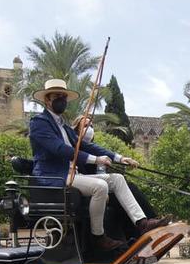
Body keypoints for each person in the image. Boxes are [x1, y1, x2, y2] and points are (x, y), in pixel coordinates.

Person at [29, 79, 169, 251]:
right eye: (57, 96)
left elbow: (87, 145)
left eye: (64, 96)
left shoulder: (64, 127)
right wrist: (96, 160)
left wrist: (118, 157)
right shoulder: (39, 122)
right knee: (100, 186)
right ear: (47, 100)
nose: (62, 100)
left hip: (72, 175)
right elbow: (59, 149)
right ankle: (98, 236)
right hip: (55, 176)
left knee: (117, 178)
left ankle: (142, 222)